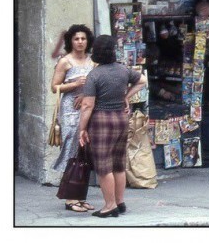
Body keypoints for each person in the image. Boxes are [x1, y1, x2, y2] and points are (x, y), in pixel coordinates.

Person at [78, 35, 148, 217]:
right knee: (118, 163)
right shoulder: (123, 70)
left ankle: (110, 206)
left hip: (102, 121)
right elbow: (142, 81)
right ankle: (120, 201)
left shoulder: (95, 75)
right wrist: (126, 96)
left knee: (103, 166)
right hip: (121, 119)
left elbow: (87, 106)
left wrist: (82, 129)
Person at [51, 24, 95, 213]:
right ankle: (70, 198)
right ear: (71, 41)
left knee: (84, 152)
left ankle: (80, 196)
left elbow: (98, 84)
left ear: (88, 41)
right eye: (76, 39)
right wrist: (75, 84)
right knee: (71, 149)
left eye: (83, 39)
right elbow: (55, 87)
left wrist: (85, 93)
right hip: (70, 109)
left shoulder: (93, 61)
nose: (80, 42)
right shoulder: (65, 61)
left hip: (87, 108)